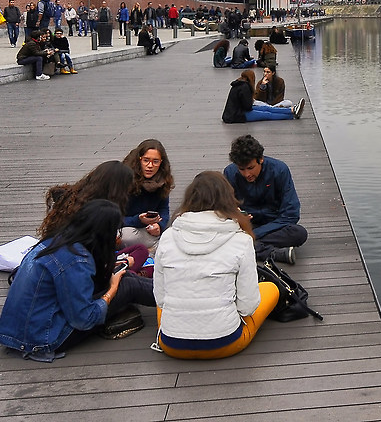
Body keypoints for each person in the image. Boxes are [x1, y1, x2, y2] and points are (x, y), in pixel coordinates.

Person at [153, 171, 280, 360]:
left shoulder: (168, 236)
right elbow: (247, 307)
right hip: (225, 341)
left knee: (170, 299)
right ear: (228, 199)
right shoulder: (241, 240)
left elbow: (161, 299)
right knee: (270, 288)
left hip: (172, 343)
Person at [0, 200, 133, 361]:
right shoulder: (76, 259)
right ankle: (166, 309)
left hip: (18, 331)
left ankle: (166, 301)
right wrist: (112, 291)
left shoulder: (56, 241)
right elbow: (84, 319)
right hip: (41, 339)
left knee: (126, 277)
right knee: (127, 285)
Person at [222, 134, 306, 263]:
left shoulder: (280, 170)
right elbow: (225, 209)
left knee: (299, 233)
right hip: (246, 225)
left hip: (274, 224)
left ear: (260, 159)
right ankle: (272, 253)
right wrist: (236, 215)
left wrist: (254, 234)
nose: (246, 174)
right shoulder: (230, 173)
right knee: (225, 234)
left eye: (250, 168)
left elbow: (291, 214)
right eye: (241, 169)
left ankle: (246, 245)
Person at [119, 139, 174, 252]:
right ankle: (155, 248)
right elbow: (114, 218)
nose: (150, 166)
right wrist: (138, 220)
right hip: (125, 227)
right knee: (127, 236)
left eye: (155, 162)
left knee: (174, 225)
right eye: (146, 160)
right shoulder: (125, 180)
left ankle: (154, 247)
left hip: (148, 229)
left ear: (161, 163)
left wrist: (159, 226)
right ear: (139, 160)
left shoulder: (162, 181)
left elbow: (163, 209)